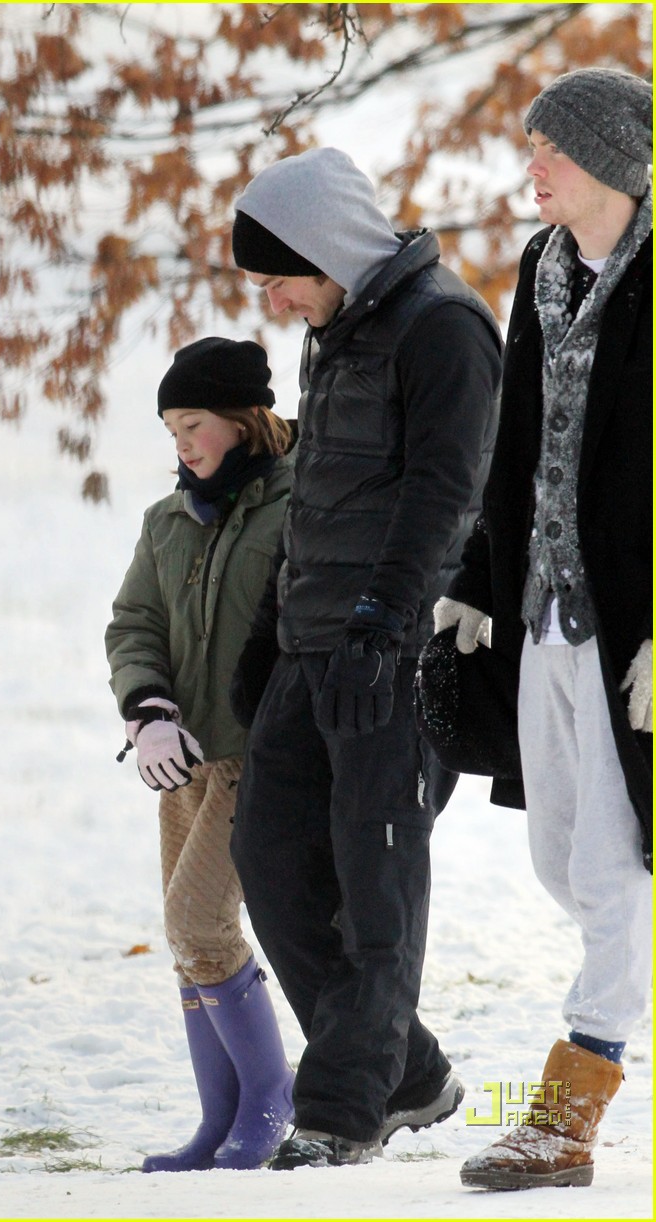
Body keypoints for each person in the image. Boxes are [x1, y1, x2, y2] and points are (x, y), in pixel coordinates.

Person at [228, 147, 503, 1169]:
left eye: (280, 270)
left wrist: (384, 623)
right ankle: (412, 1071)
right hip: (313, 652)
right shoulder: (335, 334)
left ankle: (344, 1112)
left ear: (328, 244)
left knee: (372, 880)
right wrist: (270, 632)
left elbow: (447, 492)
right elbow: (313, 500)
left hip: (395, 654)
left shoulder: (444, 328)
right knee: (268, 859)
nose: (272, 292)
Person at [435, 68, 652, 1191]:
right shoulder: (542, 265)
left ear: (605, 159)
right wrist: (479, 571)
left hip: (632, 629)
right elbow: (513, 440)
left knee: (614, 868)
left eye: (546, 151)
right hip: (544, 613)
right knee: (558, 853)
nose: (530, 168)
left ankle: (566, 1117)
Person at [105, 337, 296, 1172]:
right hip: (183, 762)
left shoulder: (299, 503)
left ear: (242, 420)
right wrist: (146, 711)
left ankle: (269, 1105)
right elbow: (134, 625)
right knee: (188, 936)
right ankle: (217, 1122)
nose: (180, 443)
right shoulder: (166, 520)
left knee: (200, 922)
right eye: (171, 429)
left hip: (258, 757)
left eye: (193, 424)